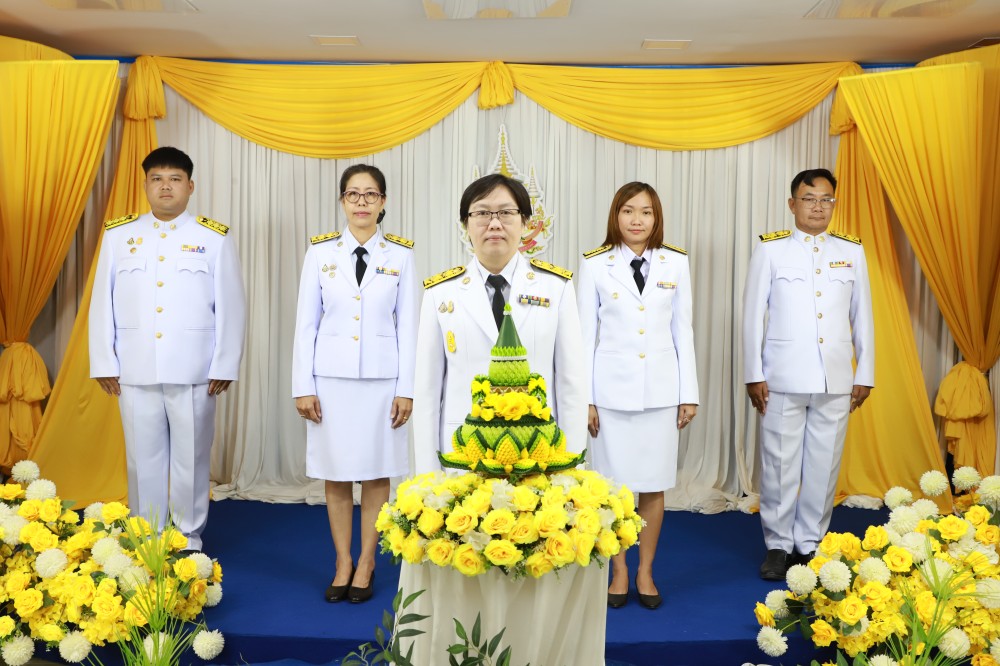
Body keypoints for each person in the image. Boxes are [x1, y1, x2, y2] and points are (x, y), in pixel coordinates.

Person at [89, 146, 246, 552]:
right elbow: (102, 300)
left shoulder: (213, 237)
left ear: (190, 187)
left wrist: (225, 363)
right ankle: (148, 536)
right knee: (143, 459)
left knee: (191, 458)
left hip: (195, 367)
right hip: (135, 365)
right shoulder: (118, 236)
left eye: (175, 179)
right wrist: (104, 360)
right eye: (156, 179)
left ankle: (187, 537)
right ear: (145, 185)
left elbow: (231, 304)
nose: (165, 187)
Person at [292, 164, 417, 604]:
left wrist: (406, 388)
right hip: (330, 381)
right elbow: (306, 324)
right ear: (342, 201)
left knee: (377, 471)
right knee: (337, 472)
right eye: (353, 194)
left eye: (370, 194)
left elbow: (409, 327)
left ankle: (366, 561)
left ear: (383, 202)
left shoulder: (400, 256)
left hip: (383, 381)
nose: (362, 202)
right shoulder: (320, 253)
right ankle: (342, 561)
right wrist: (302, 385)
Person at [743, 168, 874, 581]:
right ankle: (778, 545)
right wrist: (753, 373)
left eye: (826, 200)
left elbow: (863, 316)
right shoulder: (770, 250)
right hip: (782, 376)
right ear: (792, 204)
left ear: (834, 204)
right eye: (809, 199)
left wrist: (865, 372)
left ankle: (810, 543)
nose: (818, 207)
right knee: (779, 464)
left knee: (823, 465)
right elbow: (752, 316)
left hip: (835, 378)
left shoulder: (851, 251)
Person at [412, 174, 586, 474]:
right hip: (463, 453)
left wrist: (570, 469)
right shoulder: (440, 293)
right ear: (465, 224)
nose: (494, 223)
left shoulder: (556, 288)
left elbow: (572, 386)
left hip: (538, 452)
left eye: (506, 213)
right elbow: (427, 392)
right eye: (482, 213)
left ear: (525, 222)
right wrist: (428, 476)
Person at [577, 182, 699, 610]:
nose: (636, 220)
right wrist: (585, 399)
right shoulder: (595, 264)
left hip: (661, 392)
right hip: (610, 395)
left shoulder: (675, 263)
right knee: (613, 489)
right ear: (616, 215)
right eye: (628, 211)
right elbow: (584, 336)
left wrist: (688, 393)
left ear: (656, 218)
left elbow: (683, 331)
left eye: (645, 212)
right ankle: (619, 570)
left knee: (653, 485)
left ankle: (646, 570)